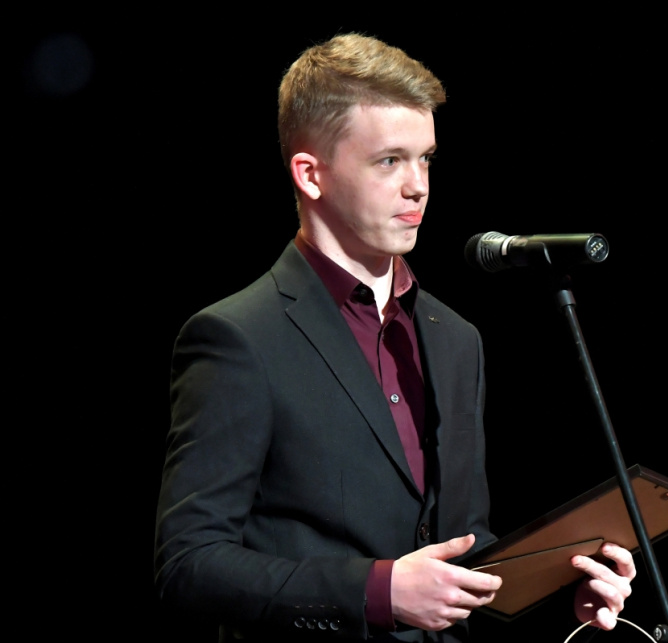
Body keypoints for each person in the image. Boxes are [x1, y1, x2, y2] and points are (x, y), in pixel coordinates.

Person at [154, 33, 636, 642]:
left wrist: (560, 588)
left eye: (426, 158)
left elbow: (462, 553)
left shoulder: (455, 339)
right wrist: (377, 591)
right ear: (311, 174)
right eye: (389, 161)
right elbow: (189, 565)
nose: (418, 186)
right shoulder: (238, 339)